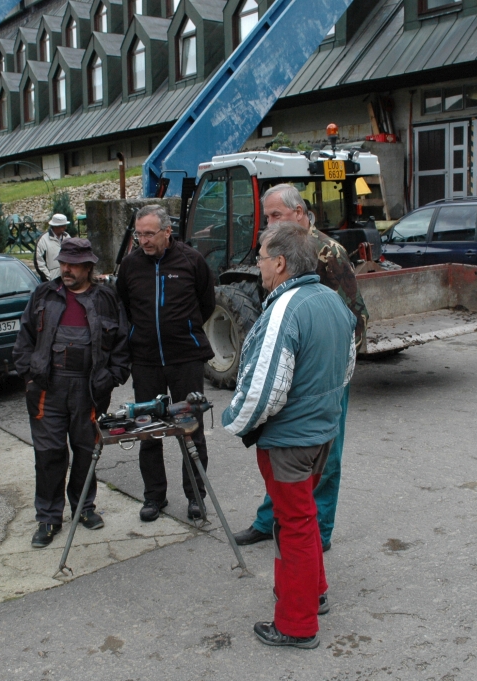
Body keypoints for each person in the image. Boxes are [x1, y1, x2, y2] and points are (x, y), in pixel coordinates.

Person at [223, 221, 356, 648]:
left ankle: (297, 625)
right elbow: (346, 368)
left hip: (290, 442)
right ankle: (314, 593)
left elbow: (264, 389)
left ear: (280, 263)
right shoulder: (332, 300)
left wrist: (235, 422)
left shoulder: (285, 309)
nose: (258, 265)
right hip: (321, 434)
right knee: (304, 518)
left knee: (293, 526)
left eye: (261, 257)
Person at [233, 184, 368, 552]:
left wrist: (332, 371)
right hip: (288, 367)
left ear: (299, 213)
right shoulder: (276, 247)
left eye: (276, 215)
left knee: (326, 457)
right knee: (280, 450)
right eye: (267, 216)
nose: (269, 222)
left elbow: (354, 316)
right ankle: (269, 521)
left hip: (322, 375)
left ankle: (317, 533)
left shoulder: (329, 253)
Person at [13, 239, 130, 547]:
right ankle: (48, 518)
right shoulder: (44, 294)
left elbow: (122, 343)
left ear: (88, 267)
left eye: (73, 265)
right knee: (49, 454)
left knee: (86, 452)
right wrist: (29, 375)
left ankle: (83, 508)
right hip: (47, 389)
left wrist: (112, 377)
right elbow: (24, 337)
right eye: (63, 263)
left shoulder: (106, 298)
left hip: (89, 390)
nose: (66, 269)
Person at [116, 204, 216, 522]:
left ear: (167, 231)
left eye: (149, 233)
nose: (143, 240)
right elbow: (124, 307)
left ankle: (196, 497)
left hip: (185, 359)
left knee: (190, 429)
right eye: (139, 234)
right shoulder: (130, 265)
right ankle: (154, 497)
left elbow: (206, 303)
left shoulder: (191, 261)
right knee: (148, 430)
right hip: (145, 362)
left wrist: (183, 328)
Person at [34, 213, 72, 282]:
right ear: (56, 226)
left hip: (67, 279)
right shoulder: (43, 240)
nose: (65, 228)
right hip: (51, 280)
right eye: (63, 226)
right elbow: (39, 263)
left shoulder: (67, 237)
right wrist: (49, 279)